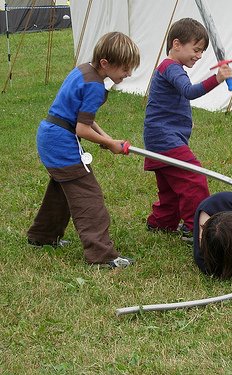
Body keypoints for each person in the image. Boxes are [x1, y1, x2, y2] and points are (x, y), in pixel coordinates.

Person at [27, 32, 140, 268]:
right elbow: (81, 128)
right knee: (89, 197)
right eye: (125, 69)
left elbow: (83, 118)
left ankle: (43, 236)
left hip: (49, 134)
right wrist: (109, 144)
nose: (128, 74)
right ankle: (101, 255)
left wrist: (106, 138)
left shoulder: (83, 70)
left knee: (62, 187)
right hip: (61, 143)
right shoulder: (95, 86)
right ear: (105, 64)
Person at [143, 18, 232, 239]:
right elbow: (189, 92)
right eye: (196, 49)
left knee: (171, 187)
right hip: (165, 138)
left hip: (162, 136)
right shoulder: (171, 68)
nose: (199, 55)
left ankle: (161, 222)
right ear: (176, 44)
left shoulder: (171, 68)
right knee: (194, 178)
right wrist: (217, 78)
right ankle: (194, 227)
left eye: (201, 51)